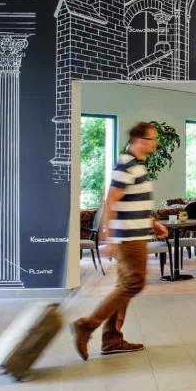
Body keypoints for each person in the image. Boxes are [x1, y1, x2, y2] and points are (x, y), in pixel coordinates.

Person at [71, 122, 169, 360]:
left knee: (124, 286)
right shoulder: (127, 164)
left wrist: (151, 221)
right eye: (154, 138)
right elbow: (111, 200)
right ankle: (87, 325)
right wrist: (110, 236)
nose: (157, 143)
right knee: (134, 284)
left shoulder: (136, 165)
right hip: (129, 237)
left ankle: (112, 339)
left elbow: (131, 202)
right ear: (141, 140)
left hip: (135, 232)